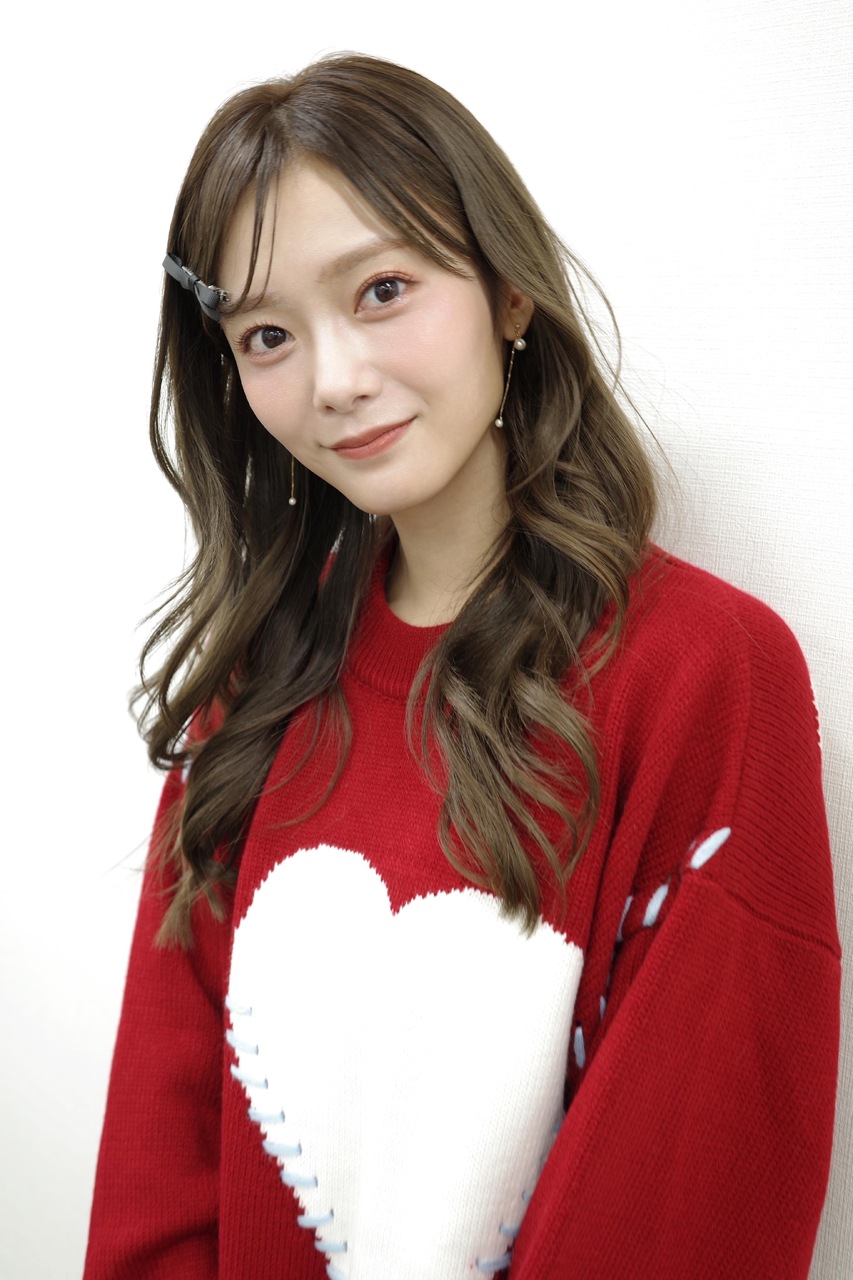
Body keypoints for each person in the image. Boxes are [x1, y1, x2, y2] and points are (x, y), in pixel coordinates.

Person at [84, 53, 840, 1280]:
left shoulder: (705, 674)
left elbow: (691, 1196)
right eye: (267, 334)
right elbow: (155, 1188)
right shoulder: (250, 694)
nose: (335, 379)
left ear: (508, 291)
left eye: (382, 289)